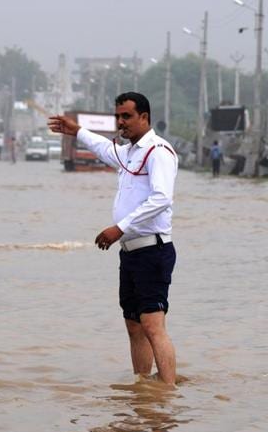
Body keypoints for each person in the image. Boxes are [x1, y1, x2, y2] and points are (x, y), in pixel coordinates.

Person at [48, 92, 179, 386]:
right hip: (130, 252)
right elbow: (106, 150)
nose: (121, 123)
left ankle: (168, 394)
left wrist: (120, 227)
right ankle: (143, 388)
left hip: (153, 250)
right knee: (134, 325)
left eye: (127, 117)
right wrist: (77, 131)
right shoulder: (129, 151)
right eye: (118, 117)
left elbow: (161, 198)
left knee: (152, 325)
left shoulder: (159, 151)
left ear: (144, 117)